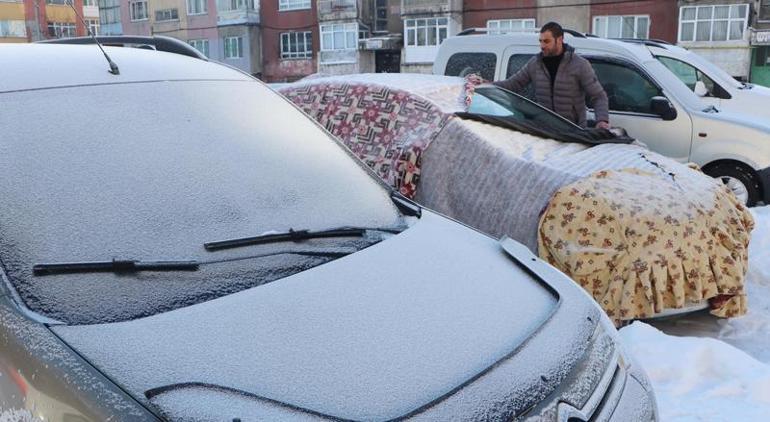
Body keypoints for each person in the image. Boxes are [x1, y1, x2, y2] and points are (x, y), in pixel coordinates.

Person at [491, 22, 610, 129]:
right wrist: (488, 84)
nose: (542, 46)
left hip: (574, 131)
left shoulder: (579, 64)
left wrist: (602, 120)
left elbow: (598, 96)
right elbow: (513, 84)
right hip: (546, 131)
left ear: (559, 39)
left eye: (546, 41)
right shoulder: (535, 64)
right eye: (540, 41)